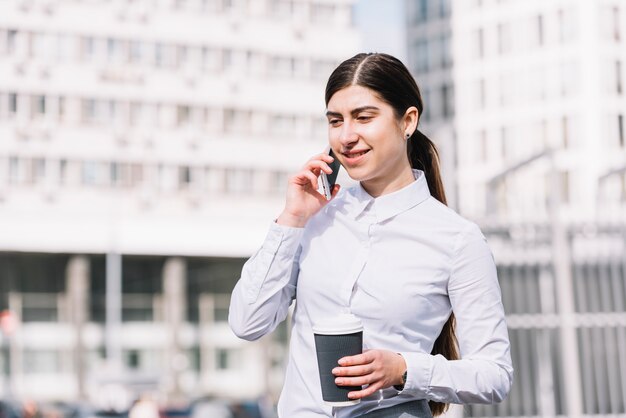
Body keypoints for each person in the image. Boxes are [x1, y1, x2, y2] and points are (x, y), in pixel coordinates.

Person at [229, 53, 513, 418]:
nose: (347, 136)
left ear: (407, 121)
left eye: (364, 117)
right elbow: (247, 322)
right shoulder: (314, 218)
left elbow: (495, 374)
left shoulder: (457, 239)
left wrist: (404, 369)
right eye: (335, 121)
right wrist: (291, 218)